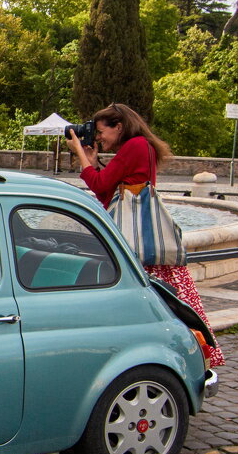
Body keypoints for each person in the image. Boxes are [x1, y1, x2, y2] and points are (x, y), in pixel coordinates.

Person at [66, 103, 225, 367]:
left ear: (119, 126)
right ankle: (194, 355)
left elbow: (101, 186)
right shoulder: (143, 146)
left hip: (135, 238)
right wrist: (93, 163)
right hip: (146, 236)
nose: (99, 138)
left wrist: (81, 157)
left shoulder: (134, 146)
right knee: (167, 302)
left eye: (102, 132)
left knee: (147, 301)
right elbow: (108, 193)